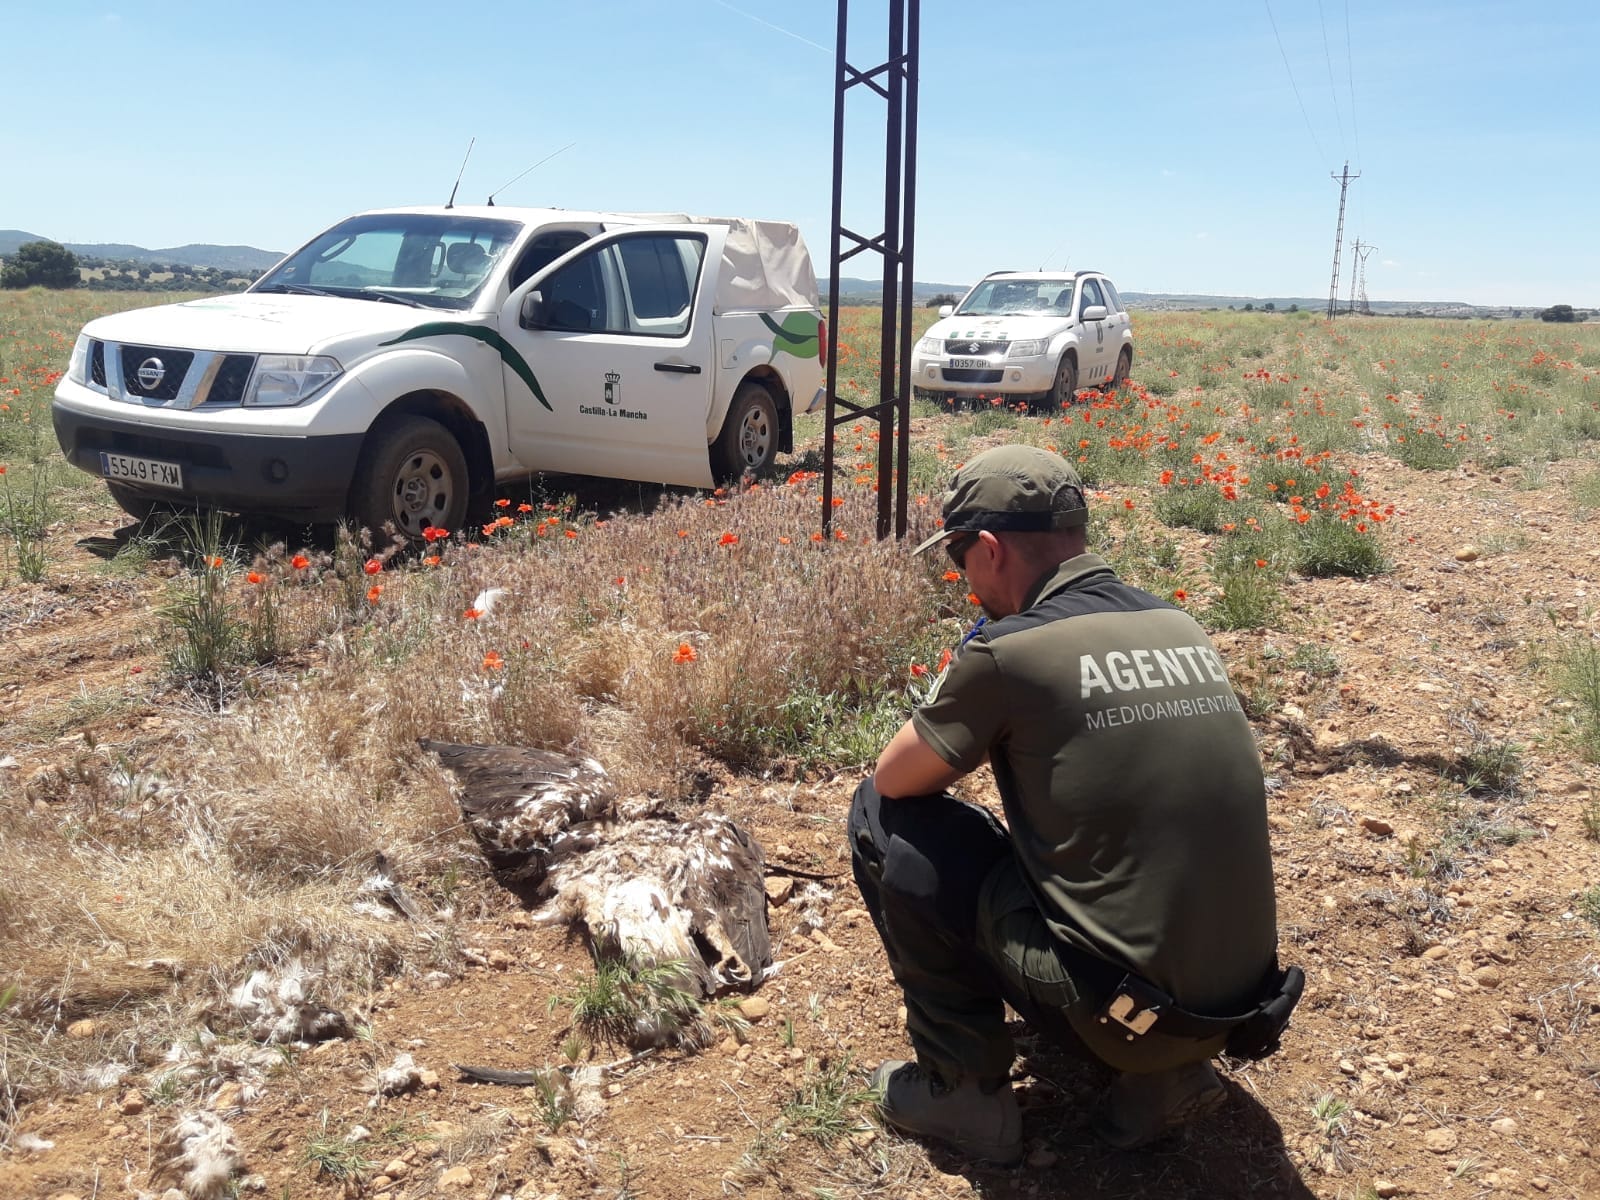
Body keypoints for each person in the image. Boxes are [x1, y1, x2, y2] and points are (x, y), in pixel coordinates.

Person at [850, 443, 1287, 1163]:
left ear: (988, 549)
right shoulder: (1180, 627)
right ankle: (1166, 1079)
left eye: (958, 556)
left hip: (1126, 1016)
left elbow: (895, 780)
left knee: (883, 821)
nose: (963, 580)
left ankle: (963, 1092)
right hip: (1236, 1008)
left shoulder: (1011, 652)